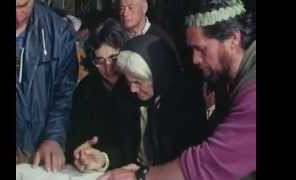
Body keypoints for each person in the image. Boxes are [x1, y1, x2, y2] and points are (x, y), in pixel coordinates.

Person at [97, 0, 256, 179]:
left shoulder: (252, 91)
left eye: (200, 49)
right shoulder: (226, 82)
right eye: (192, 50)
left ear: (234, 38)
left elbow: (211, 162)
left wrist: (141, 176)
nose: (195, 59)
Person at [97, 34, 208, 180]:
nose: (132, 89)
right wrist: (103, 158)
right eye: (129, 81)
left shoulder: (185, 106)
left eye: (138, 82)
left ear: (158, 76)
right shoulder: (125, 95)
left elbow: (186, 164)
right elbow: (120, 144)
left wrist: (142, 173)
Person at [16, 0, 77, 172]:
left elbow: (64, 95)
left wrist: (54, 137)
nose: (17, 16)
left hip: (40, 154)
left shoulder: (59, 33)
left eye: (22, 6)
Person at [65, 18, 130, 172]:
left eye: (114, 59)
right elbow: (75, 136)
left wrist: (104, 157)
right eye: (100, 61)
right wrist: (79, 152)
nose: (109, 68)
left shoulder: (133, 87)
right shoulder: (85, 89)